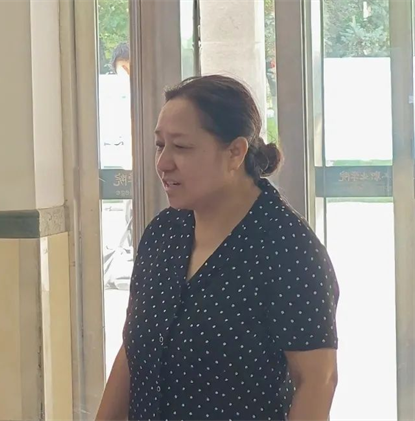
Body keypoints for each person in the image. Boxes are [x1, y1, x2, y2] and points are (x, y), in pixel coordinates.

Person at [96, 75, 339, 421]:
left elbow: (317, 380)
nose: (163, 163)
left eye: (182, 147)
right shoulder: (164, 233)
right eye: (160, 145)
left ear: (235, 152)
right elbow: (134, 349)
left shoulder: (287, 249)